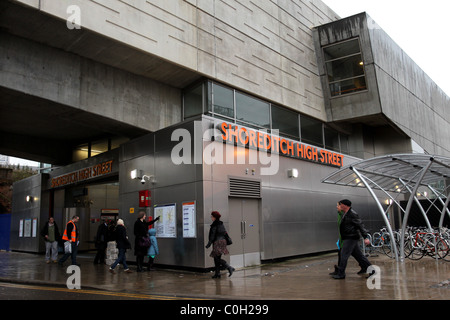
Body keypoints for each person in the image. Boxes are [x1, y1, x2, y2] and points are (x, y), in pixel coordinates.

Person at [332, 199, 372, 279]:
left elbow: (360, 225)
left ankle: (341, 274)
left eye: (341, 204)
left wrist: (365, 237)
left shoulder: (352, 214)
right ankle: (372, 271)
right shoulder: (346, 214)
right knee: (359, 256)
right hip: (349, 237)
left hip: (351, 238)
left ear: (345, 205)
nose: (339, 205)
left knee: (344, 255)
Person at [205, 211, 235, 279]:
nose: (211, 218)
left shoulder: (215, 224)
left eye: (212, 216)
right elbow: (224, 233)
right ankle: (217, 273)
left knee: (216, 258)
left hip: (217, 242)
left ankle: (229, 267)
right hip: (223, 241)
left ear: (214, 217)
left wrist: (209, 243)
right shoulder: (221, 224)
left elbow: (212, 235)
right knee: (217, 258)